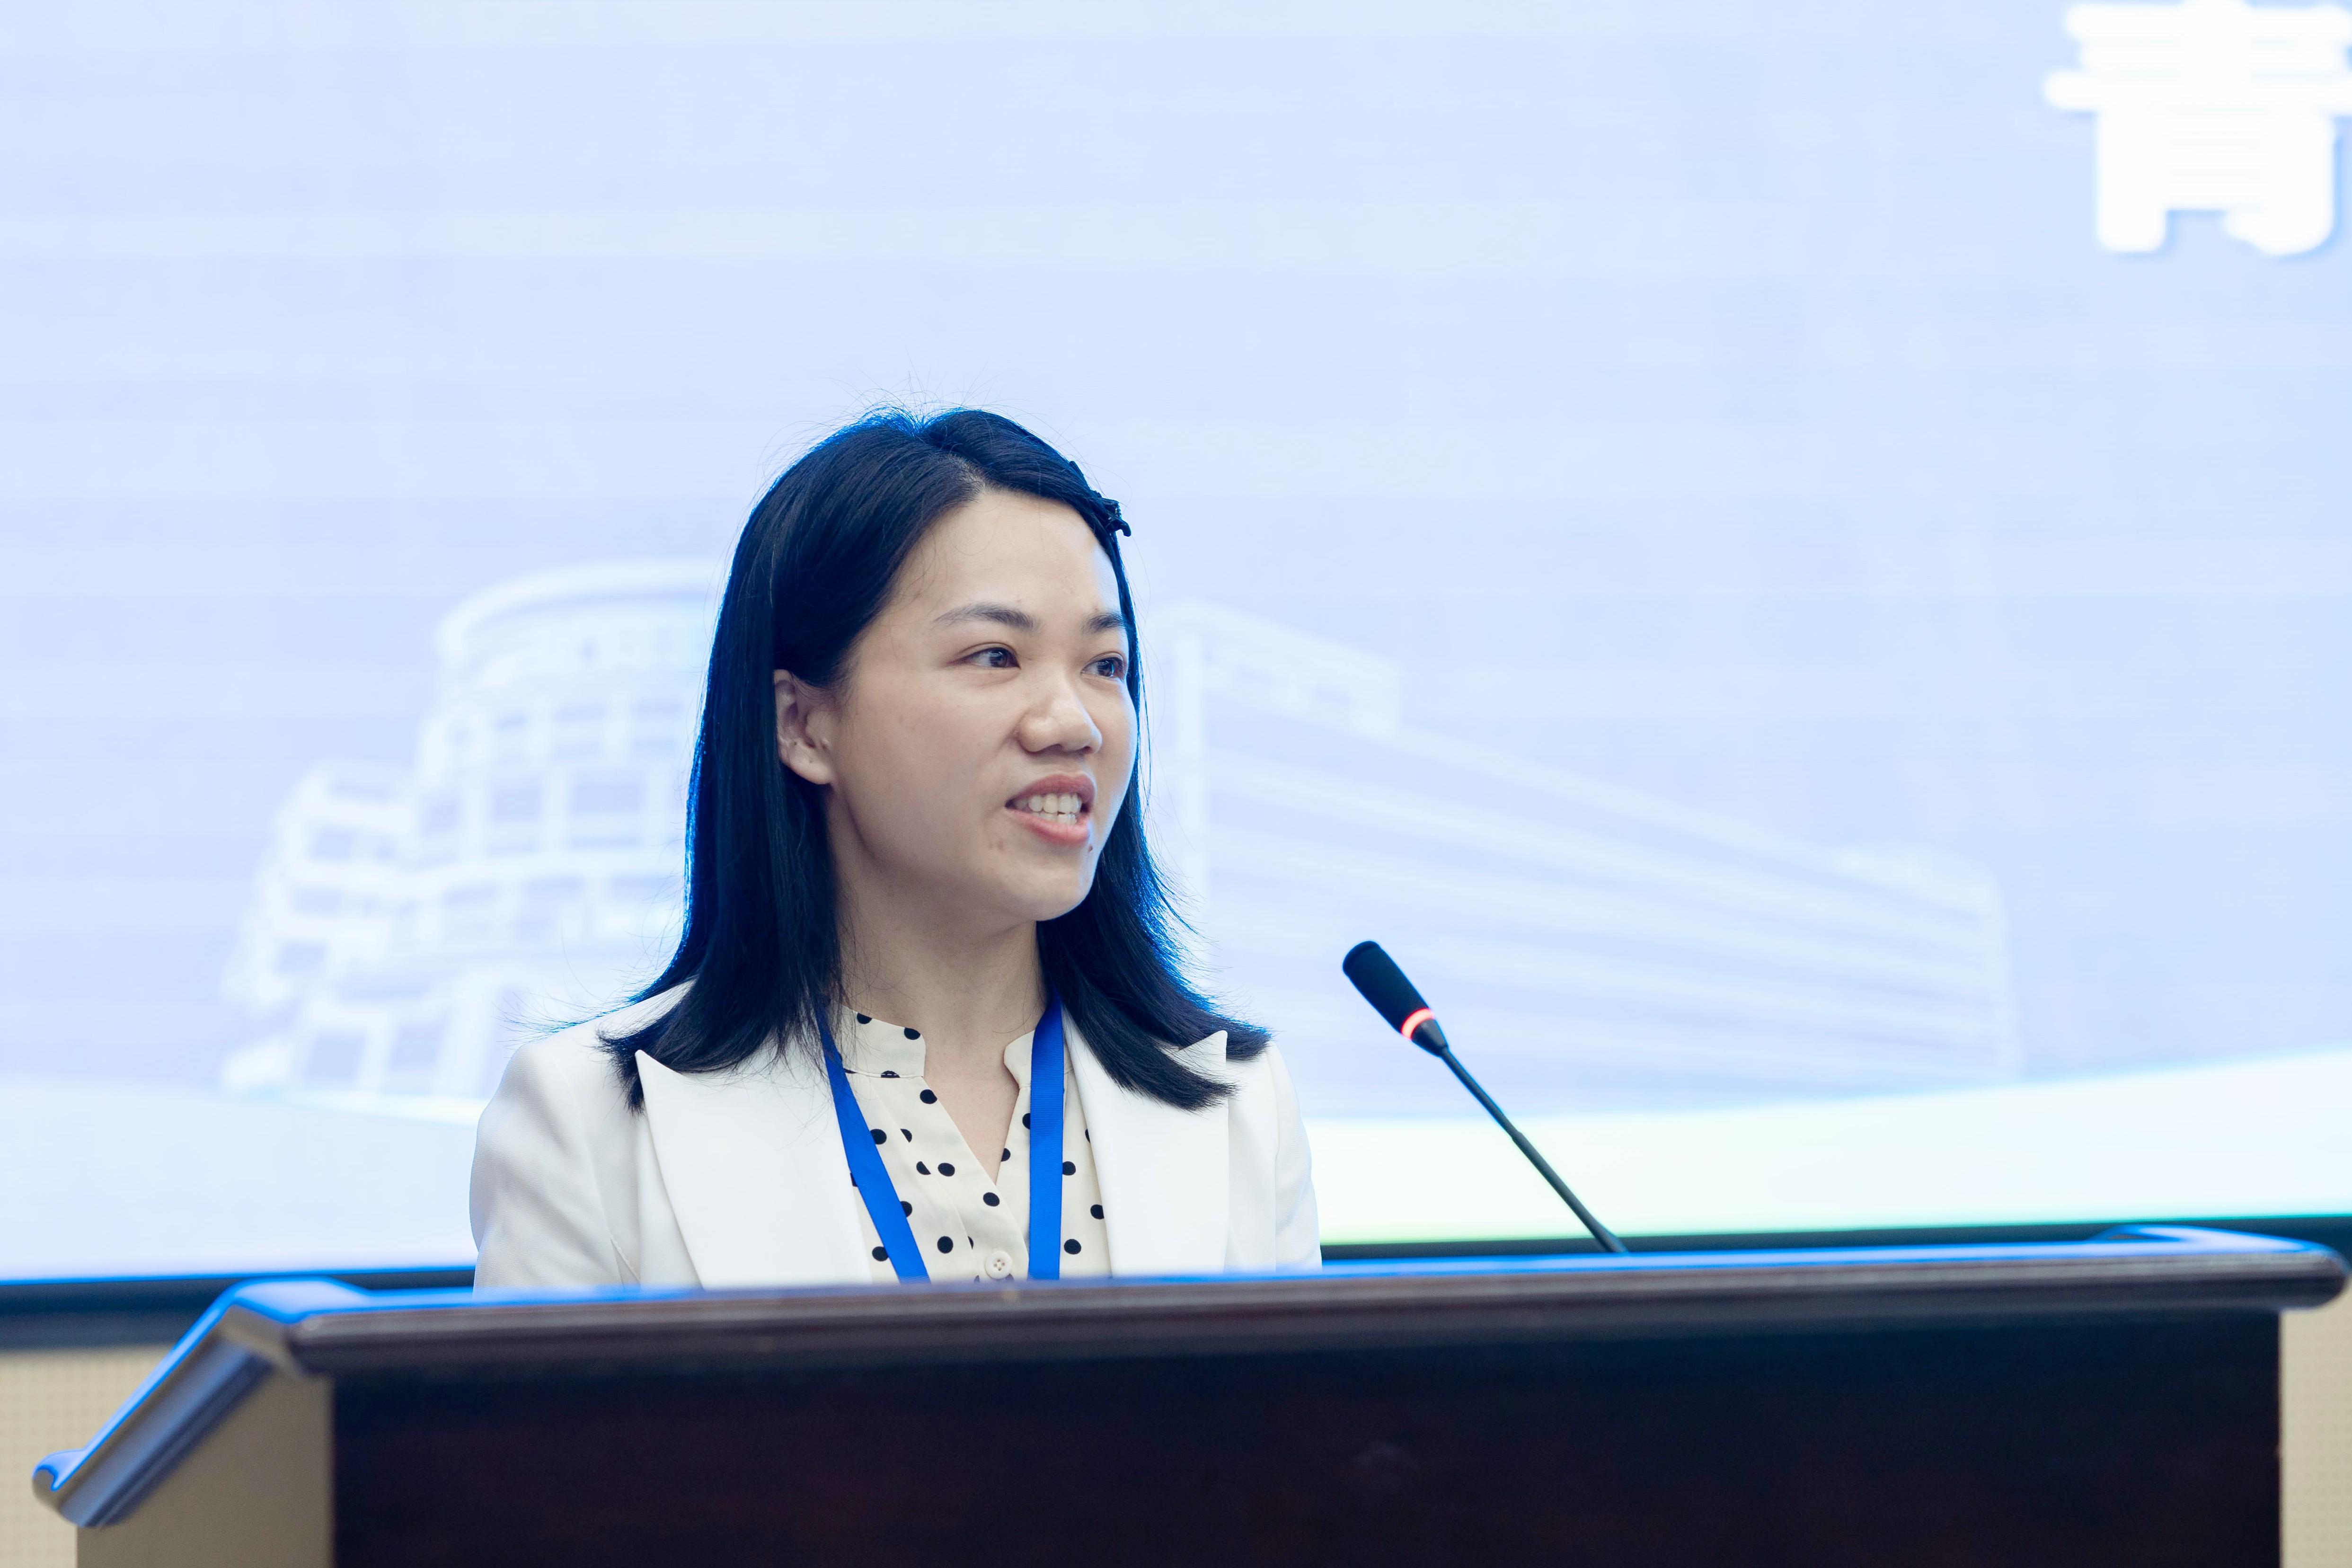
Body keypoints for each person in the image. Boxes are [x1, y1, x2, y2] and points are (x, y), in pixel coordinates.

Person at [469, 409, 1319, 1289]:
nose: (1073, 723)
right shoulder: (592, 1125)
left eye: (1105, 665)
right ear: (804, 724)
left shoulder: (1242, 1103)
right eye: (995, 655)